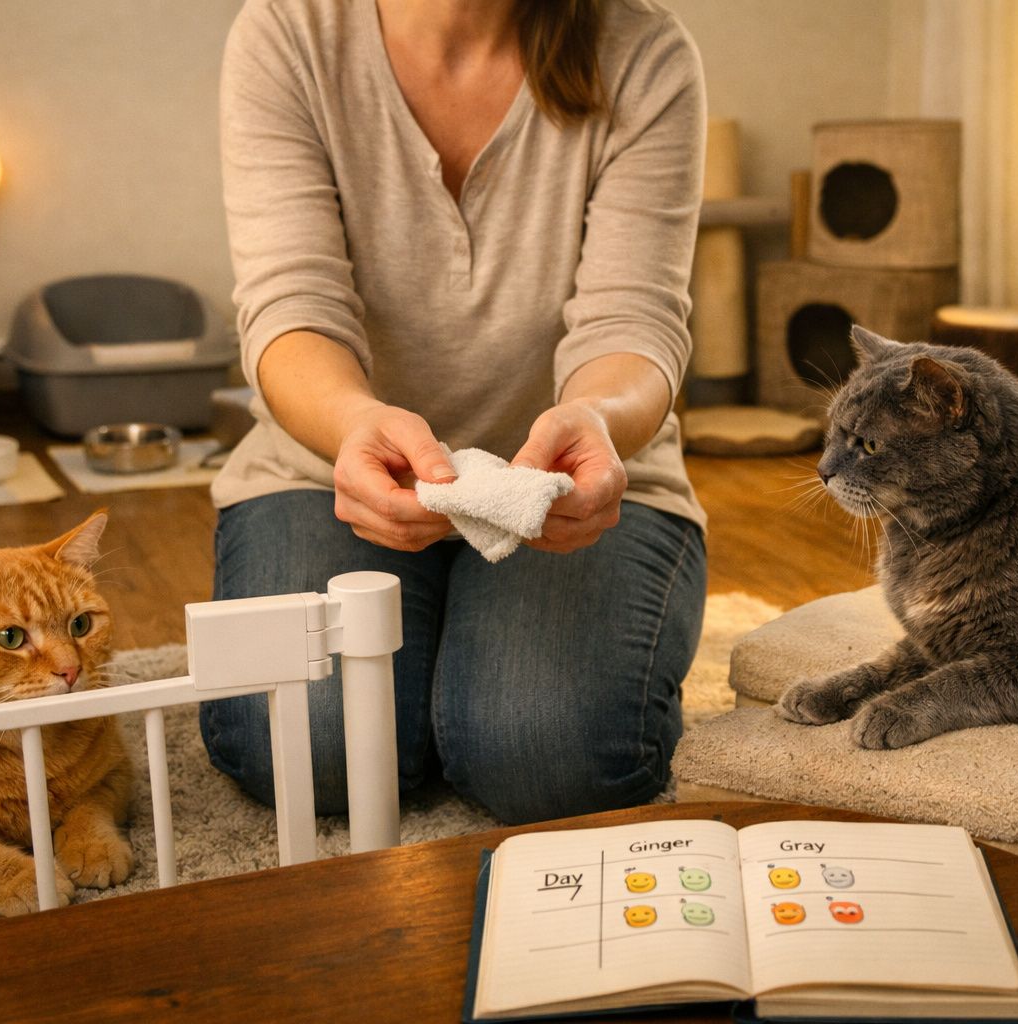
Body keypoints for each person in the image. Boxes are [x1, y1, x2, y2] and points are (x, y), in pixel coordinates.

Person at [202, 0, 708, 825]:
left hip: (567, 480)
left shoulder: (643, 52)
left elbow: (634, 322)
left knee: (546, 756)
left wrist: (597, 419)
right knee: (311, 750)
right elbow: (291, 306)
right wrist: (353, 425)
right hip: (325, 464)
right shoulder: (288, 32)